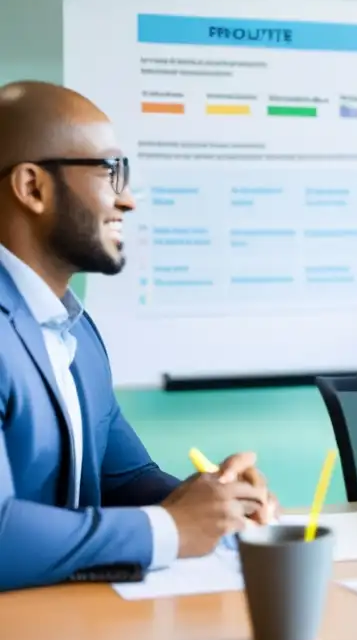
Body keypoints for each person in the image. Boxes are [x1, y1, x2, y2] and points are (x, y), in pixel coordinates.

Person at [0, 81, 278, 592]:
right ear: (32, 187)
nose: (127, 199)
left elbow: (122, 479)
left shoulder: (73, 329)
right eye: (110, 172)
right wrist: (173, 527)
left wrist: (215, 504)